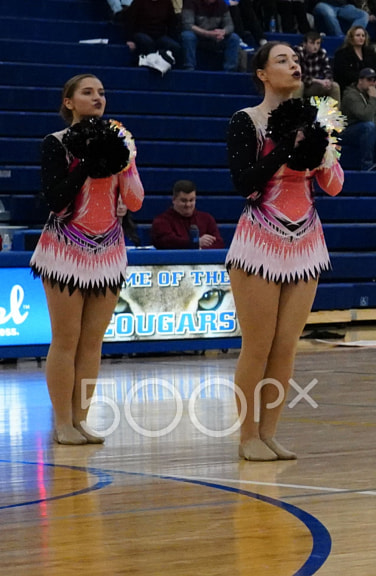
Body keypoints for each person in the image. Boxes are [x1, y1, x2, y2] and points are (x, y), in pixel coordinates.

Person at [225, 41, 346, 461]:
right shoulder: (247, 121)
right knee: (258, 344)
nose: (293, 65)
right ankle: (247, 436)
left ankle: (270, 432)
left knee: (286, 346)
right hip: (260, 239)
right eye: (282, 60)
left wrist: (321, 146)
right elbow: (246, 183)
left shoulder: (318, 119)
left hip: (307, 242)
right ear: (262, 73)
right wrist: (283, 148)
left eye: (295, 60)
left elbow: (333, 186)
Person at [35, 74, 146, 446]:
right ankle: (62, 422)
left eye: (101, 91)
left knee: (92, 341)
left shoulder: (121, 142)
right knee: (66, 339)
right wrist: (85, 161)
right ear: (69, 102)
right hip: (65, 249)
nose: (97, 97)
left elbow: (134, 201)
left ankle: (81, 420)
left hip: (109, 251)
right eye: (87, 92)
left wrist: (124, 162)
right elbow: (57, 200)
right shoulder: (57, 144)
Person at [151, 180, 227, 249]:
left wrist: (197, 248)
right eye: (184, 201)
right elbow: (166, 242)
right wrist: (195, 243)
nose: (188, 205)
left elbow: (219, 243)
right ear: (174, 200)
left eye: (191, 200)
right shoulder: (162, 221)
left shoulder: (207, 219)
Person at [180, 0, 247, 71]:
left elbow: (230, 25)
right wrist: (207, 33)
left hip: (216, 38)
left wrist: (223, 32)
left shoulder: (222, 4)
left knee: (234, 38)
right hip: (198, 37)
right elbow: (187, 25)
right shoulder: (191, 2)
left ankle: (230, 71)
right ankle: (189, 68)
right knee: (187, 36)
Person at [123, 0, 182, 72]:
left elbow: (171, 24)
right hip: (142, 32)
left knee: (175, 46)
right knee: (147, 42)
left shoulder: (167, 2)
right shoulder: (139, 2)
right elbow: (130, 21)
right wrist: (129, 39)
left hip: (160, 35)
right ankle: (152, 67)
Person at [296, 31, 335, 97]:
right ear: (304, 44)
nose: (315, 46)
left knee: (335, 86)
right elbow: (297, 75)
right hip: (303, 83)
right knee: (299, 85)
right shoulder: (298, 52)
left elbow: (327, 70)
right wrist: (317, 81)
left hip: (316, 84)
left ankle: (333, 107)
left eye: (318, 43)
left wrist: (327, 80)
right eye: (312, 43)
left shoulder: (322, 52)